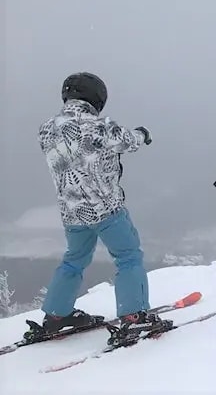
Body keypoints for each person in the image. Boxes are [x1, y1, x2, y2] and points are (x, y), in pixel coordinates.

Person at [35, 72, 170, 346]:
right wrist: (143, 134)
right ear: (96, 97)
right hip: (106, 208)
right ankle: (134, 316)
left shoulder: (47, 128)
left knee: (73, 260)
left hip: (72, 212)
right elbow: (127, 142)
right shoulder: (97, 126)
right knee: (128, 256)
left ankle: (56, 316)